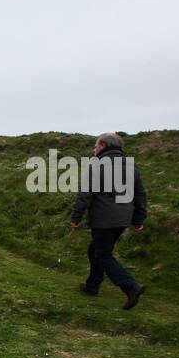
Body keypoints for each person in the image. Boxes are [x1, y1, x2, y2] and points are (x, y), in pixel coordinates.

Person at [70, 132, 147, 309]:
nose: (94, 149)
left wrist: (76, 216)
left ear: (104, 146)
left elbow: (85, 194)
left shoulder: (97, 165)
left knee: (103, 255)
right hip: (122, 220)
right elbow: (140, 194)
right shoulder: (131, 166)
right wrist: (138, 218)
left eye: (96, 145)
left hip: (103, 220)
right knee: (95, 250)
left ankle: (130, 287)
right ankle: (92, 286)